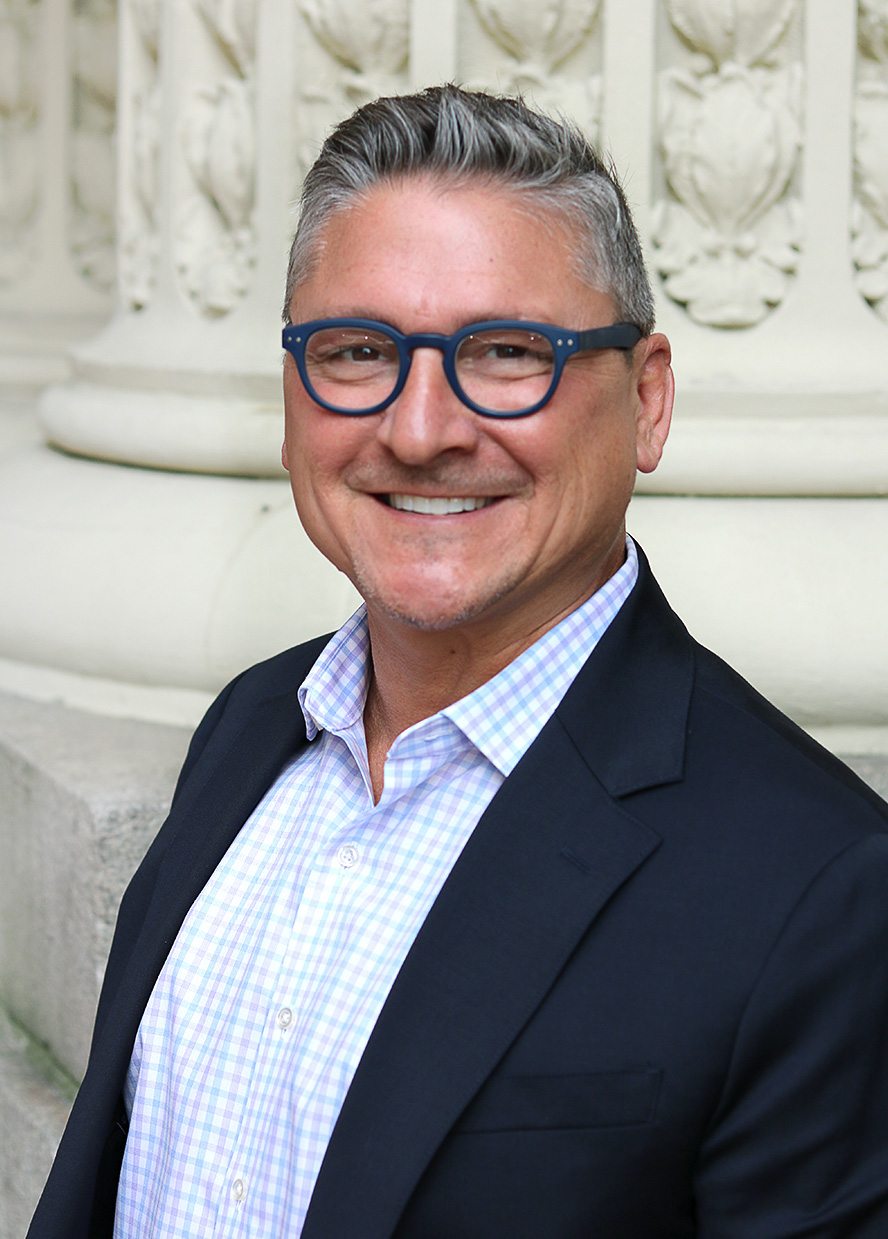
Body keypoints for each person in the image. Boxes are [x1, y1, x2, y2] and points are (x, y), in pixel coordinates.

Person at [29, 85, 888, 1239]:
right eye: (355, 349)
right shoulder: (248, 728)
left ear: (646, 401)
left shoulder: (820, 889)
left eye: (504, 352)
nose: (421, 428)